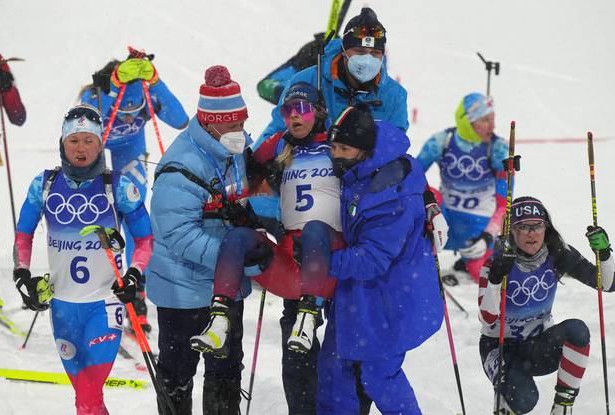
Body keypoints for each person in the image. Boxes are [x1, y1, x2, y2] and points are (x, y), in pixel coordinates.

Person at [190, 82, 346, 415]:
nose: (294, 117)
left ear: (319, 112)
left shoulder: (336, 144)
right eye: (288, 111)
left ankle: (310, 313)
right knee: (238, 238)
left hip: (334, 261)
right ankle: (219, 320)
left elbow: (383, 169)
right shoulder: (279, 145)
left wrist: (427, 199)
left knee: (316, 230)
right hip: (295, 265)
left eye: (301, 109)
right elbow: (242, 166)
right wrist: (248, 203)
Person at [301, 105, 444, 414]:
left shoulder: (390, 195)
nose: (336, 155)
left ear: (365, 151)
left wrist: (322, 262)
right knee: (333, 373)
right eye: (333, 147)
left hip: (389, 300)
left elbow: (372, 259)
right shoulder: (361, 169)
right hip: (358, 297)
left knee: (380, 377)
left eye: (345, 149)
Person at [12, 104, 153, 414]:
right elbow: (23, 235)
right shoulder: (45, 184)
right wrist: (22, 275)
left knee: (87, 392)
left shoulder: (118, 186)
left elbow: (145, 240)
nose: (81, 148)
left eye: (89, 141)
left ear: (100, 145)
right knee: (87, 398)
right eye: (74, 140)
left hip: (104, 305)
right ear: (63, 144)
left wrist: (134, 274)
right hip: (62, 307)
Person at [147, 65, 257, 414]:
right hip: (182, 292)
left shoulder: (235, 153)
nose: (239, 131)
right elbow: (179, 235)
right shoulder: (180, 166)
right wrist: (234, 260)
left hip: (225, 290)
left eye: (242, 122)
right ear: (210, 121)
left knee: (225, 376)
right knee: (177, 377)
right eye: (232, 125)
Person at [80, 48, 189, 331]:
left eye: (134, 113)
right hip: (97, 148)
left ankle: (135, 287)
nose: (129, 119)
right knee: (96, 213)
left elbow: (180, 120)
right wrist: (114, 90)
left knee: (134, 211)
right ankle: (90, 281)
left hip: (130, 149)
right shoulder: (97, 96)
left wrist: (155, 83)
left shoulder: (145, 92)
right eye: (125, 114)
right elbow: (81, 127)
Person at [478, 196, 615, 414]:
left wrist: (604, 253)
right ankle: (506, 406)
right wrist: (496, 279)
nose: (531, 233)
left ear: (546, 228)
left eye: (538, 226)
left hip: (537, 346)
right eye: (523, 227)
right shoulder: (497, 262)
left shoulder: (557, 254)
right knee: (525, 400)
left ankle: (562, 408)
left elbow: (608, 284)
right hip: (500, 348)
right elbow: (487, 319)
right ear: (512, 232)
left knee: (577, 331)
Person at [258, 7, 408, 146]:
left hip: (360, 172)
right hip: (307, 167)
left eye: (375, 53)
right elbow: (275, 134)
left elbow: (394, 146)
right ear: (344, 51)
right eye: (360, 51)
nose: (367, 60)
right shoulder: (307, 80)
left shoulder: (394, 95)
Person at [417, 92, 508, 283]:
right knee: (427, 193)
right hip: (444, 219)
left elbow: (504, 205)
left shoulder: (498, 149)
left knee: (486, 279)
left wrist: (488, 237)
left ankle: (523, 261)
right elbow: (411, 178)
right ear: (467, 122)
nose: (492, 126)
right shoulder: (442, 141)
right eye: (484, 120)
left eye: (493, 119)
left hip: (478, 227)